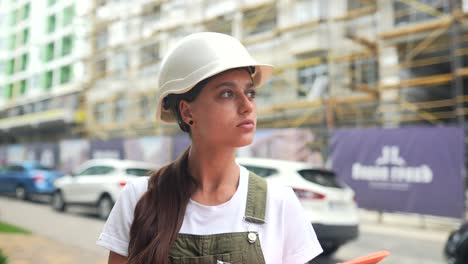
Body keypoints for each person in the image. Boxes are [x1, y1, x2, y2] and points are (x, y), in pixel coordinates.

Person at [97, 32, 323, 264]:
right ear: (187, 112)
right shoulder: (140, 197)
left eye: (250, 93)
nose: (247, 106)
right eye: (227, 94)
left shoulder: (279, 202)